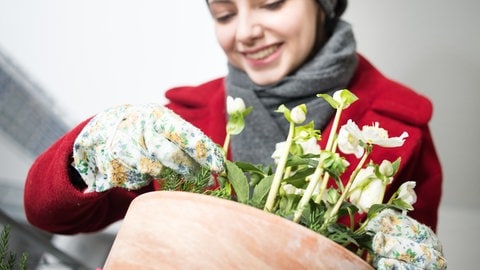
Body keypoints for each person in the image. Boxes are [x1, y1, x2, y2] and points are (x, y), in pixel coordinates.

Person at [24, 0, 445, 268]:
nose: (244, 32)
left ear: (324, 5)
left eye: (271, 4)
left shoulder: (398, 127)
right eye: (224, 14)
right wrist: (94, 147)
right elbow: (51, 214)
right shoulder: (183, 122)